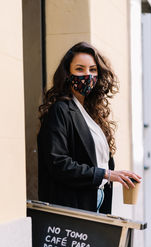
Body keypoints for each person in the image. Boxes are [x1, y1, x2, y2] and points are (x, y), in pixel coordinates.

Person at [37, 41, 141, 214]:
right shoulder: (60, 110)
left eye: (93, 70)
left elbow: (96, 160)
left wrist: (116, 174)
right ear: (67, 74)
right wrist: (106, 174)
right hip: (71, 207)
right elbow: (58, 163)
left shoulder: (92, 112)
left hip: (97, 201)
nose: (87, 75)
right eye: (79, 69)